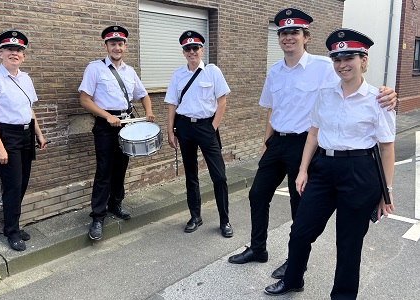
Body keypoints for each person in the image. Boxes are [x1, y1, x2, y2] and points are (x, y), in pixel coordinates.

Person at [228, 7, 397, 277]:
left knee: (301, 206)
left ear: (306, 36)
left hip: (305, 144)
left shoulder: (323, 67)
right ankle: (258, 248)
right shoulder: (274, 71)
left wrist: (388, 94)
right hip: (277, 143)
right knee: (257, 194)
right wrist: (265, 142)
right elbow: (272, 110)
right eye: (283, 32)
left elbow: (353, 83)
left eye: (294, 32)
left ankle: (295, 264)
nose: (288, 37)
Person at [264, 28, 396, 299]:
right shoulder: (325, 92)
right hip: (323, 168)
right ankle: (293, 279)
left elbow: (386, 148)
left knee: (348, 244)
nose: (342, 64)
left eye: (349, 57)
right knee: (300, 230)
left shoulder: (378, 100)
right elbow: (313, 133)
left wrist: (386, 191)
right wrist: (303, 170)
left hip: (359, 173)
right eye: (337, 59)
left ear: (364, 61)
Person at [79, 26, 155, 241]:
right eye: (113, 44)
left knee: (121, 167)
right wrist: (106, 116)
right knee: (104, 170)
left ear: (124, 47)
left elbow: (144, 95)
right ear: (106, 46)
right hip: (106, 125)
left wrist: (149, 112)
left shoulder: (129, 72)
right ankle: (97, 216)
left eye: (120, 44)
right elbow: (85, 100)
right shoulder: (95, 69)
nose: (117, 47)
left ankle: (115, 205)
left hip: (128, 123)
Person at [0, 30, 47, 251]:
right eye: (9, 49)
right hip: (5, 136)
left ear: (23, 56)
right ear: (0, 53)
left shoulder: (25, 78)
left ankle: (13, 224)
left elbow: (30, 109)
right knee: (12, 186)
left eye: (18, 50)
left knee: (23, 183)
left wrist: (38, 132)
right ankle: (12, 231)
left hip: (26, 134)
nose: (14, 53)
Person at [165, 30, 233, 238]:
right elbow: (172, 105)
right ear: (183, 52)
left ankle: (224, 220)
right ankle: (195, 216)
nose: (192, 52)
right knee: (191, 175)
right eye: (188, 49)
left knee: (219, 176)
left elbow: (222, 102)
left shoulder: (213, 72)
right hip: (184, 127)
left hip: (206, 127)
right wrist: (170, 130)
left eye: (195, 48)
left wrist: (212, 127)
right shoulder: (178, 74)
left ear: (202, 50)